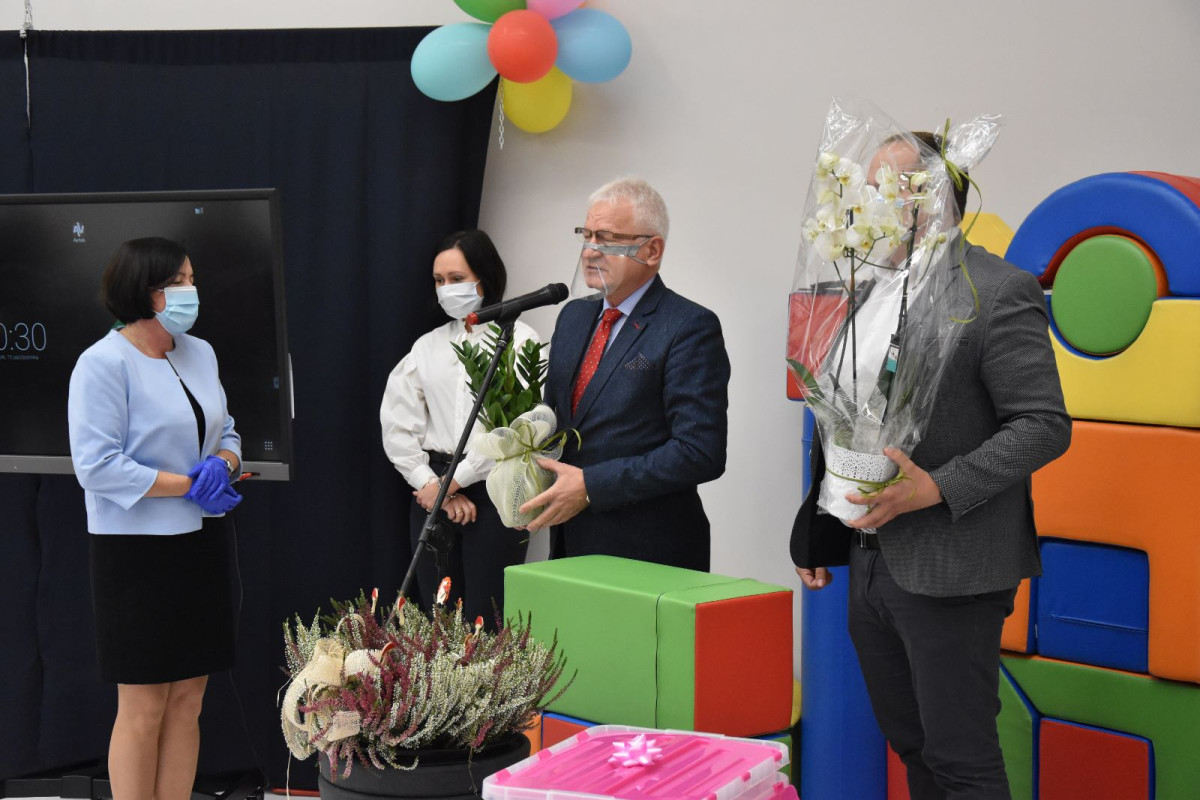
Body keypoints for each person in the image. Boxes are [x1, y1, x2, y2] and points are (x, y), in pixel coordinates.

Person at [791, 133, 1072, 800]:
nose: (867, 200)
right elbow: (843, 417)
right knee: (912, 747)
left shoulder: (997, 291)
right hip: (868, 562)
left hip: (953, 567)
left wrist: (937, 488)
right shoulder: (868, 288)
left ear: (934, 197)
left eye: (885, 186)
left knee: (960, 760)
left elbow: (1044, 425)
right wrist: (819, 529)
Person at [67, 237, 244, 800]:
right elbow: (97, 466)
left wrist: (223, 463)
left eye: (192, 278)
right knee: (144, 705)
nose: (192, 290)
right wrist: (189, 485)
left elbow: (228, 431)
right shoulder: (102, 363)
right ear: (143, 291)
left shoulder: (201, 352)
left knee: (189, 698)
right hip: (136, 552)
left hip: (202, 541)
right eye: (178, 282)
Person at [521, 177, 730, 572]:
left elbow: (700, 451)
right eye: (586, 235)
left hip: (648, 550)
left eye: (607, 239)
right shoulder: (573, 316)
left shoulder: (688, 326)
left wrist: (591, 486)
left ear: (652, 250)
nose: (589, 251)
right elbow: (559, 421)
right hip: (569, 540)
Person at [380, 229, 538, 623]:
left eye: (456, 278)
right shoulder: (427, 346)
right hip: (430, 486)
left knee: (489, 617)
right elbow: (398, 426)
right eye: (439, 280)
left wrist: (454, 482)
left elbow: (517, 430)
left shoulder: (521, 341)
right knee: (436, 619)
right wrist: (432, 486)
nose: (446, 288)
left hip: (496, 488)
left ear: (485, 277)